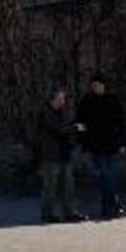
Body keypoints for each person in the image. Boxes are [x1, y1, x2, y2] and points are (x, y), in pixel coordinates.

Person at [78, 72, 126, 219]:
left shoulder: (113, 100)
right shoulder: (87, 101)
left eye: (98, 85)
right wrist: (83, 139)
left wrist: (123, 142)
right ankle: (112, 205)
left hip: (111, 144)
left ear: (104, 85)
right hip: (96, 145)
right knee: (105, 176)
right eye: (93, 86)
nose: (96, 88)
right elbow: (80, 122)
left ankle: (111, 206)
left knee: (110, 176)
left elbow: (120, 123)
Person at [38, 86, 86, 223]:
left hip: (65, 154)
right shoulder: (46, 113)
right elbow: (59, 129)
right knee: (50, 187)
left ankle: (70, 212)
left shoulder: (65, 112)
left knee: (68, 186)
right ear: (52, 99)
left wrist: (75, 128)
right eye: (59, 99)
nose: (62, 101)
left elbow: (74, 126)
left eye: (63, 98)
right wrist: (75, 128)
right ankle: (47, 214)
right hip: (50, 155)